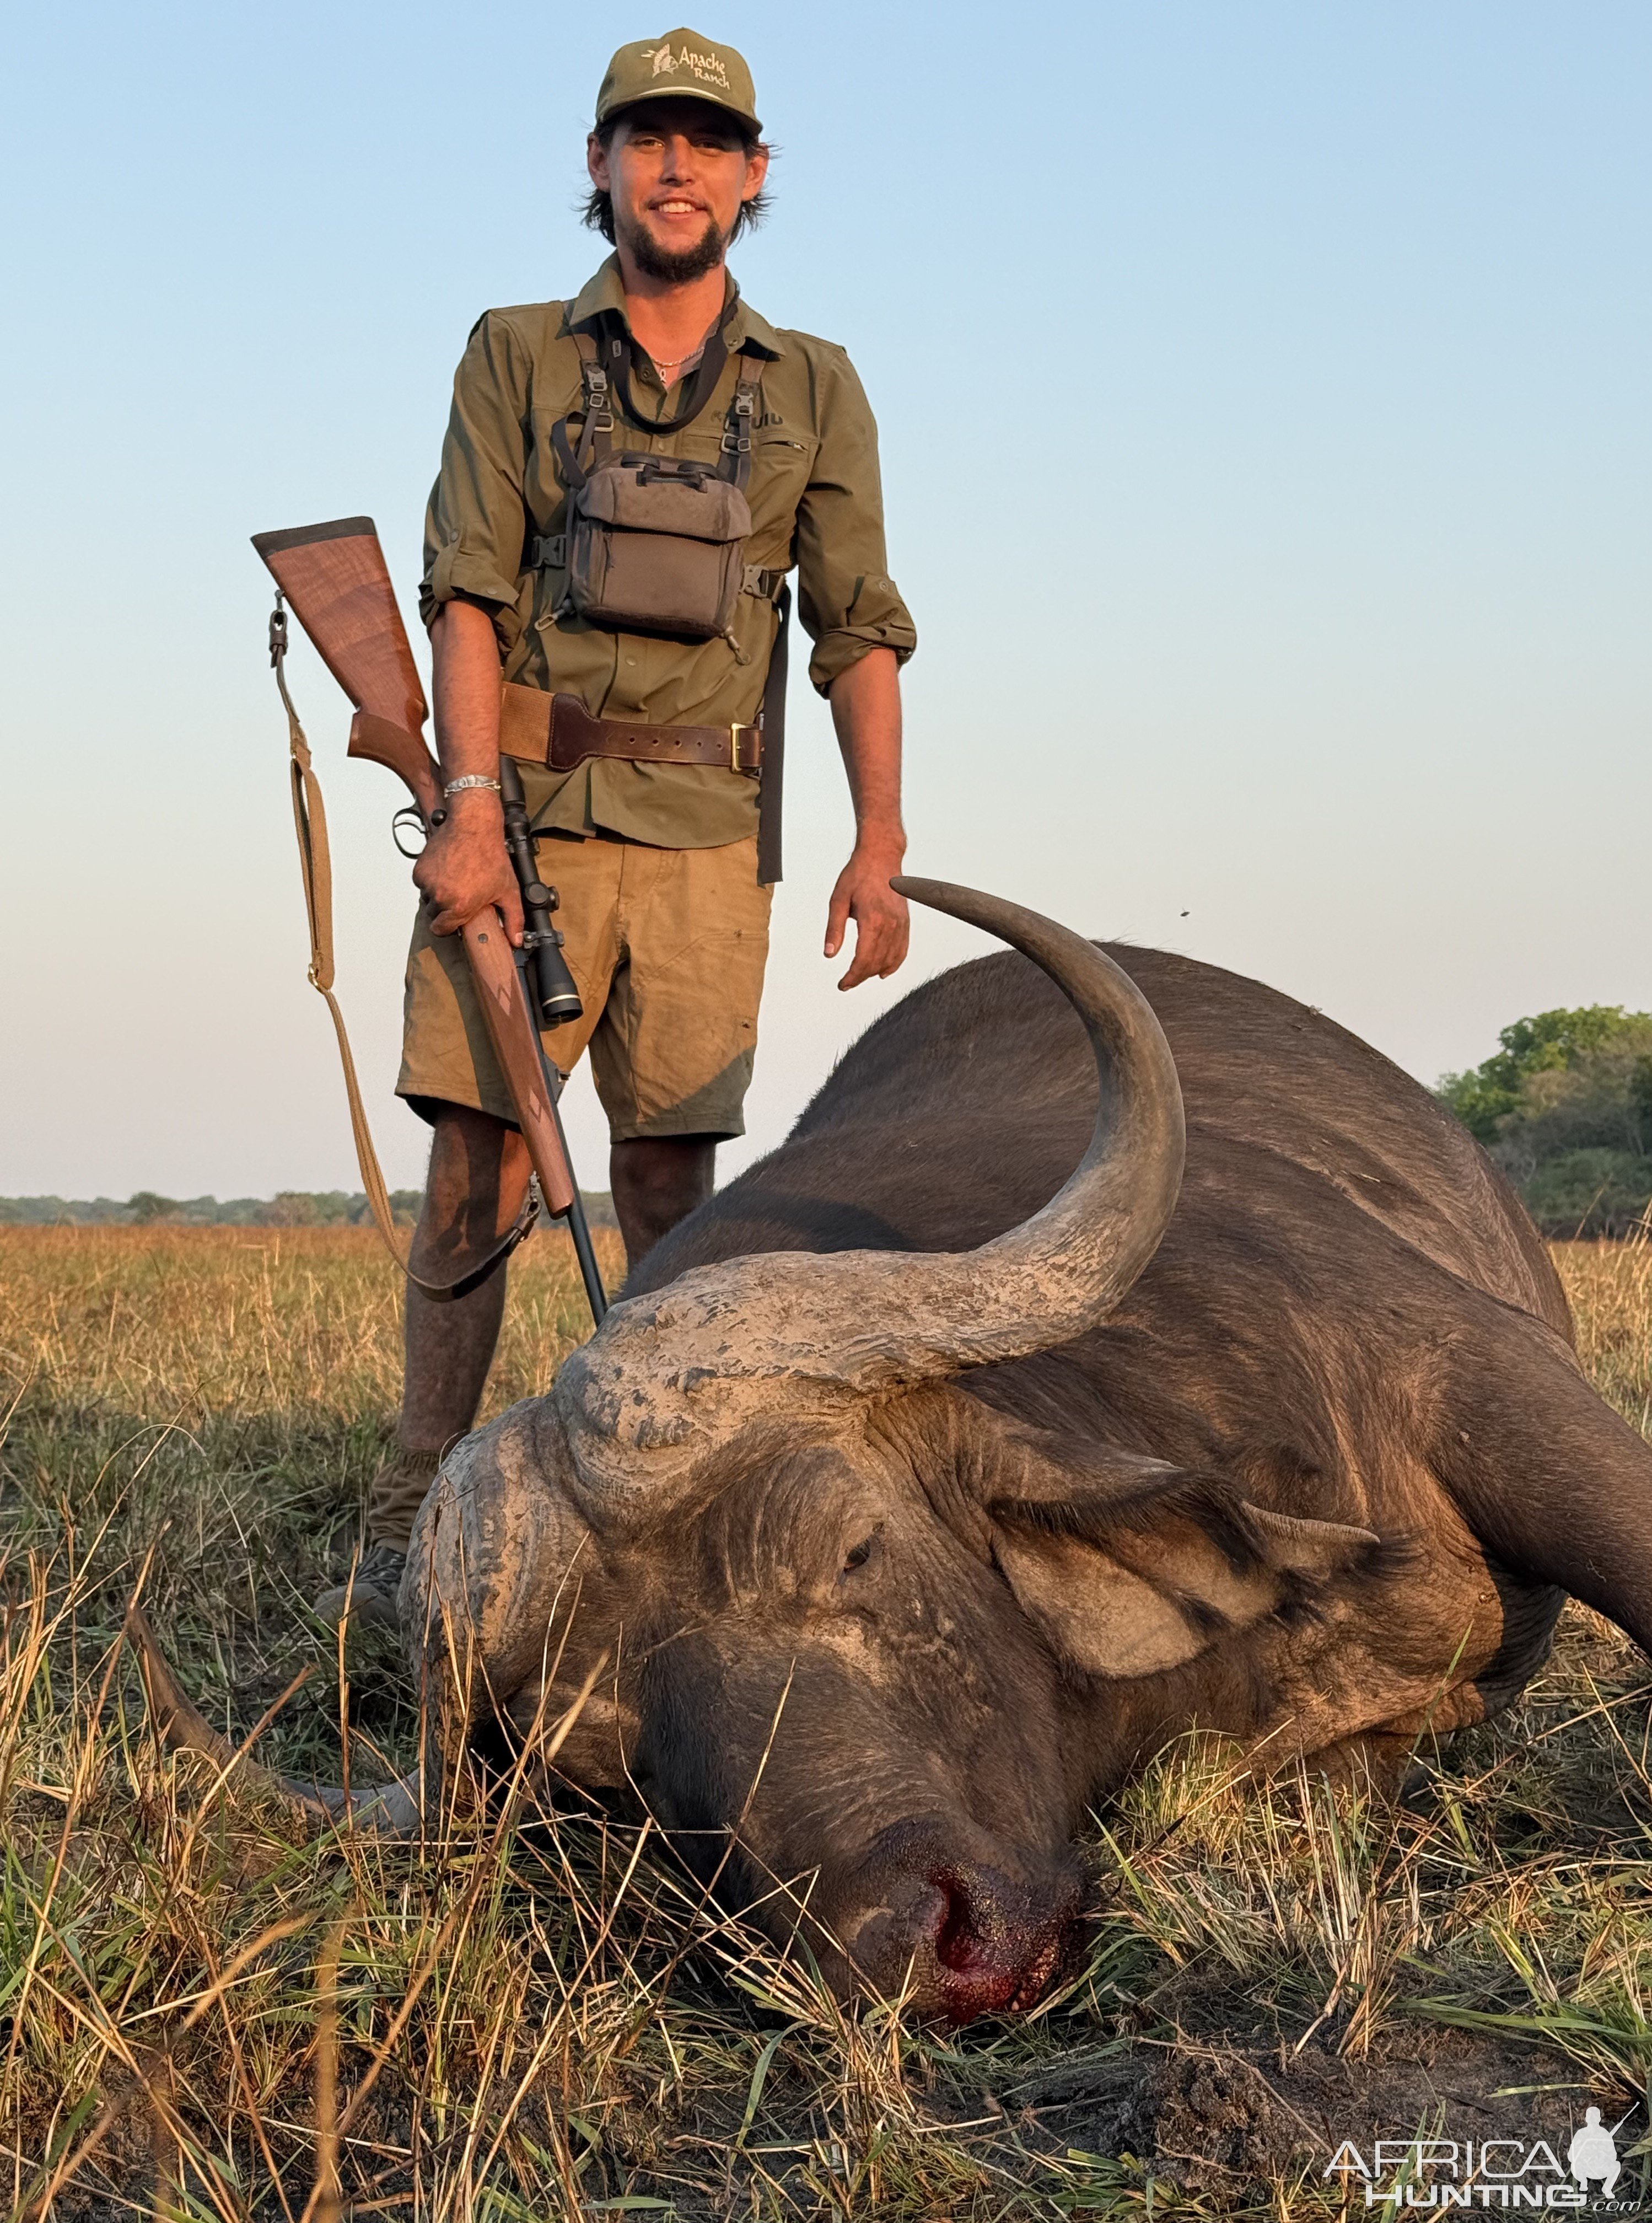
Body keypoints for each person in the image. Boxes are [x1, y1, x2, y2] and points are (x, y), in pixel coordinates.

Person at [316, 27, 917, 1626]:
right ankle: (404, 1523)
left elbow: (858, 630)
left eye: (709, 142)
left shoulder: (819, 384)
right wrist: (457, 803)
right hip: (528, 813)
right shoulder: (516, 351)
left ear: (754, 174)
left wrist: (880, 840)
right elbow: (464, 593)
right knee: (478, 1160)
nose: (677, 166)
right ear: (599, 166)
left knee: (672, 1176)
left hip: (713, 834)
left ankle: (667, 1503)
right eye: (647, 138)